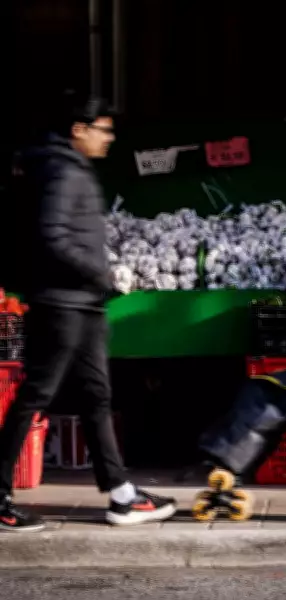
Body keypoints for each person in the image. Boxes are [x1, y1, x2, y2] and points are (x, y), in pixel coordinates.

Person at [0, 91, 177, 532]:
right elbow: (53, 237)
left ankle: (121, 496)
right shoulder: (61, 171)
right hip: (62, 304)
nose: (109, 138)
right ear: (78, 130)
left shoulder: (69, 167)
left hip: (82, 304)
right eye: (103, 130)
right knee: (36, 396)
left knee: (96, 397)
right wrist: (99, 274)